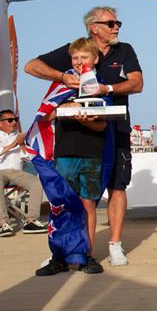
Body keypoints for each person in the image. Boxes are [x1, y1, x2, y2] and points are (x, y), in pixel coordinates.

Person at [24, 6, 143, 266]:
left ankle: (114, 245)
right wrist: (64, 77)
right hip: (75, 139)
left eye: (117, 22)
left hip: (117, 131)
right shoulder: (75, 50)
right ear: (93, 27)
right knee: (70, 197)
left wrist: (107, 87)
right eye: (111, 22)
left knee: (117, 187)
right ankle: (65, 249)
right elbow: (31, 66)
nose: (117, 27)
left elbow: (137, 84)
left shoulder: (125, 49)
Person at [44, 38, 110, 275]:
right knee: (61, 206)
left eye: (84, 58)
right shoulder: (59, 86)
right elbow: (46, 117)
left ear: (95, 59)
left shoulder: (100, 85)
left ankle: (87, 255)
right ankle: (59, 256)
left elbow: (102, 125)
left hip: (91, 152)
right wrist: (66, 109)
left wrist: (88, 121)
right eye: (75, 58)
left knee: (87, 204)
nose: (80, 62)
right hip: (64, 154)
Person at [0, 109, 46, 237]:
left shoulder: (19, 137)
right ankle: (3, 223)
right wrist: (12, 145)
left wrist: (22, 145)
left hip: (17, 173)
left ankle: (31, 221)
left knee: (37, 183)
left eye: (16, 120)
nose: (14, 123)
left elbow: (28, 158)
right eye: (10, 120)